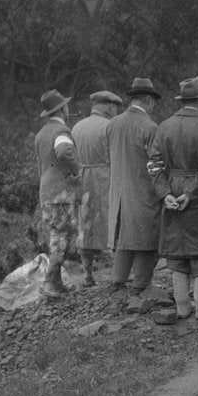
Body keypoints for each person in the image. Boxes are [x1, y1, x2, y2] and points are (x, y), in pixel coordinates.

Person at [149, 77, 198, 320]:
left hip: (172, 188)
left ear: (182, 101)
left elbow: (153, 165)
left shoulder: (163, 126)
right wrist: (190, 194)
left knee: (178, 250)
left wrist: (166, 194)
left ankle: (182, 307)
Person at [107, 78, 162, 301]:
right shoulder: (149, 127)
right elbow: (156, 164)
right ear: (148, 100)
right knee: (147, 238)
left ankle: (117, 281)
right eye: (154, 102)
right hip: (142, 190)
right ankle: (141, 285)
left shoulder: (112, 123)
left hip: (118, 191)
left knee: (124, 238)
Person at [71, 90, 123, 287]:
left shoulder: (77, 127)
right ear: (108, 106)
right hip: (106, 178)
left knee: (86, 225)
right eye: (115, 107)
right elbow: (116, 156)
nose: (116, 110)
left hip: (83, 179)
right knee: (113, 222)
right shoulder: (110, 126)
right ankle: (117, 275)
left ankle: (87, 275)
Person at [34, 90, 82, 298]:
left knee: (57, 235)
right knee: (63, 236)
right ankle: (49, 283)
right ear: (62, 109)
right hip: (60, 194)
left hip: (46, 192)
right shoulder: (61, 130)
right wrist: (77, 170)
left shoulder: (41, 133)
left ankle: (56, 283)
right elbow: (63, 151)